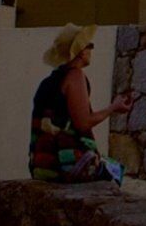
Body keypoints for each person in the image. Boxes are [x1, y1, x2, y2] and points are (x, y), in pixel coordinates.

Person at [28, 26, 119, 183]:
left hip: (42, 165)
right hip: (67, 163)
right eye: (89, 45)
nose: (91, 49)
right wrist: (113, 108)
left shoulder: (47, 83)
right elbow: (83, 122)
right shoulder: (75, 76)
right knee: (116, 172)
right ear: (81, 51)